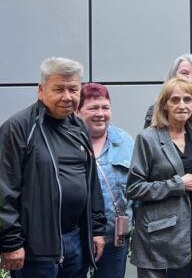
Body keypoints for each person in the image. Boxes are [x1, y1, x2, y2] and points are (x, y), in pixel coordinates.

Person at [0, 57, 106, 277]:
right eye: (59, 89)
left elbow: (91, 184)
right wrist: (11, 242)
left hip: (75, 240)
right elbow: (3, 189)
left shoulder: (79, 127)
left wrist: (96, 230)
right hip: (35, 248)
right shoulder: (18, 128)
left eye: (73, 89)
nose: (67, 97)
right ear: (41, 90)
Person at [128, 78, 192, 278]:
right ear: (165, 104)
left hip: (190, 235)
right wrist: (177, 184)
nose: (182, 105)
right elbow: (134, 188)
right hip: (157, 238)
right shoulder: (148, 138)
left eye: (188, 99)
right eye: (175, 100)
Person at [77, 83, 137, 278]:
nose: (100, 113)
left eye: (105, 107)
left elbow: (136, 189)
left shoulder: (125, 142)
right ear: (78, 111)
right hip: (75, 240)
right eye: (93, 108)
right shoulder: (68, 141)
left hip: (114, 239)